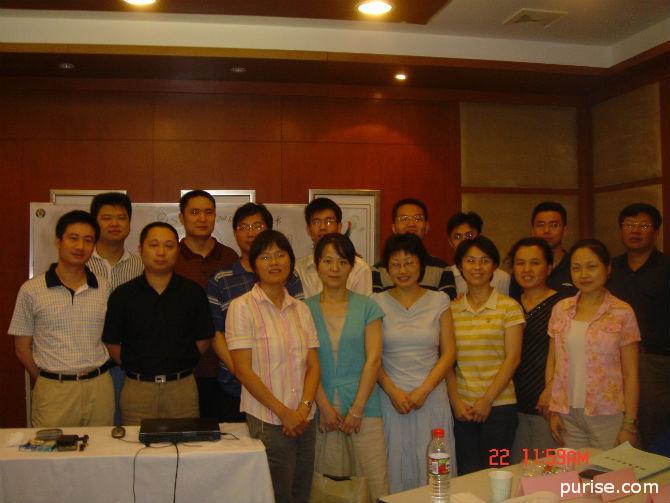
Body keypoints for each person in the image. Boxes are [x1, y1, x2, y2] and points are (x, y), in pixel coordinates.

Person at [226, 230, 320, 503]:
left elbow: (313, 365)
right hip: (267, 419)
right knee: (276, 495)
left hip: (305, 418)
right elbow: (243, 370)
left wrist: (303, 409)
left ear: (291, 260)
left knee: (302, 492)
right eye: (265, 257)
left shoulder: (301, 309)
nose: (274, 262)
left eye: (280, 255)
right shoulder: (242, 307)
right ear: (254, 264)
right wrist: (284, 413)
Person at [9, 210, 114, 427]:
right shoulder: (31, 290)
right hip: (54, 390)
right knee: (51, 447)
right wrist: (47, 380)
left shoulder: (104, 287)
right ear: (59, 241)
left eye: (88, 240)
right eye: (73, 238)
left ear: (93, 246)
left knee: (101, 446)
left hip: (99, 387)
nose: (80, 246)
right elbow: (22, 348)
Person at [103, 222, 214, 425]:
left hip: (182, 389)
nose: (161, 252)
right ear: (140, 249)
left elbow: (204, 338)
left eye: (169, 246)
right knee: (136, 444)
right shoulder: (123, 295)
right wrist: (138, 366)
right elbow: (112, 343)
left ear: (177, 251)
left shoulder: (193, 292)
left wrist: (179, 362)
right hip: (137, 390)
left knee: (185, 442)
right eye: (153, 245)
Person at [373, 233, 457, 492]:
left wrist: (424, 390)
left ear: (421, 264)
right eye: (395, 264)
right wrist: (393, 392)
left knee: (433, 469)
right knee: (394, 468)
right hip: (391, 399)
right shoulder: (375, 302)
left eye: (409, 263)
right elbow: (372, 357)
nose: (403, 270)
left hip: (431, 397)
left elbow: (449, 353)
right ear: (387, 269)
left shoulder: (439, 300)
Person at [307, 233, 388, 502]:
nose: (335, 268)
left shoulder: (368, 307)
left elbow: (373, 360)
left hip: (365, 407)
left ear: (352, 266)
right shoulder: (303, 309)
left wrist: (356, 409)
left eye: (342, 262)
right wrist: (324, 406)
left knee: (373, 481)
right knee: (327, 486)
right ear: (317, 265)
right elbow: (305, 364)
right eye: (328, 261)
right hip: (321, 411)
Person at [207, 202, 304, 423]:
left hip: (283, 385)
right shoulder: (221, 278)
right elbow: (216, 333)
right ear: (235, 233)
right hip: (233, 386)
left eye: (257, 226)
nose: (250, 233)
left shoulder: (289, 276)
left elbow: (299, 326)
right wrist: (242, 373)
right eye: (243, 227)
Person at [547, 239, 640, 449]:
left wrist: (629, 424)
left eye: (591, 267)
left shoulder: (622, 312)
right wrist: (554, 409)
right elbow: (553, 362)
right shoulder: (560, 309)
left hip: (607, 414)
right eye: (576, 268)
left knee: (607, 469)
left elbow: (631, 373)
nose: (584, 274)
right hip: (567, 413)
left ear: (607, 269)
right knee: (572, 469)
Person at [446, 235, 524, 475]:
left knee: (497, 471)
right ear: (460, 267)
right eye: (470, 260)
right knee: (467, 474)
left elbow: (513, 358)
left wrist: (487, 400)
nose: (477, 267)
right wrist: (456, 401)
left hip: (500, 408)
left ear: (494, 266)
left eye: (485, 260)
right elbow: (446, 361)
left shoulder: (509, 307)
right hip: (463, 408)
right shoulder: (450, 310)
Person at [607, 203, 670, 449]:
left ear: (656, 232)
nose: (635, 230)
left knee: (652, 428)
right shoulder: (610, 269)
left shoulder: (666, 268)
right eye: (629, 225)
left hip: (653, 362)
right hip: (612, 362)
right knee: (616, 429)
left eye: (643, 226)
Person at [175, 190, 238, 420]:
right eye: (194, 212)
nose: (202, 218)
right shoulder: (171, 256)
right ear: (181, 218)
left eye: (208, 212)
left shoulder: (230, 257)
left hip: (226, 369)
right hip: (183, 370)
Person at [88, 192, 144, 425]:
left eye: (121, 218)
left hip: (128, 364)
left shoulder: (142, 266)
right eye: (106, 218)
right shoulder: (80, 264)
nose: (114, 224)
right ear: (94, 222)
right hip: (90, 365)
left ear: (130, 224)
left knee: (128, 429)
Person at [508, 237, 561, 463]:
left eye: (535, 263)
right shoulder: (507, 305)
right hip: (510, 404)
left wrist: (551, 390)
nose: (526, 269)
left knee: (546, 470)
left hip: (546, 404)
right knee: (515, 469)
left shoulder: (562, 306)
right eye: (520, 263)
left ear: (549, 267)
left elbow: (566, 357)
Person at [372, 198, 456, 299]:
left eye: (417, 218)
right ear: (393, 228)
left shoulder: (442, 269)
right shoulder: (377, 270)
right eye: (404, 219)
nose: (411, 224)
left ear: (427, 227)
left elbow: (447, 304)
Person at [295, 197, 372, 298]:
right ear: (308, 230)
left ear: (339, 227)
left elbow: (363, 306)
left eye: (329, 221)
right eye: (316, 222)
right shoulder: (298, 268)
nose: (322, 227)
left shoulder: (359, 268)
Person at [509, 202, 577, 300]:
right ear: (532, 231)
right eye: (540, 225)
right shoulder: (522, 270)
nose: (546, 230)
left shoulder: (576, 266)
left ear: (565, 230)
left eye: (554, 225)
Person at [446, 212, 510, 295]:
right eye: (457, 237)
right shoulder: (447, 276)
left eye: (469, 235)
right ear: (450, 242)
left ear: (480, 236)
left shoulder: (502, 278)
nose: (464, 241)